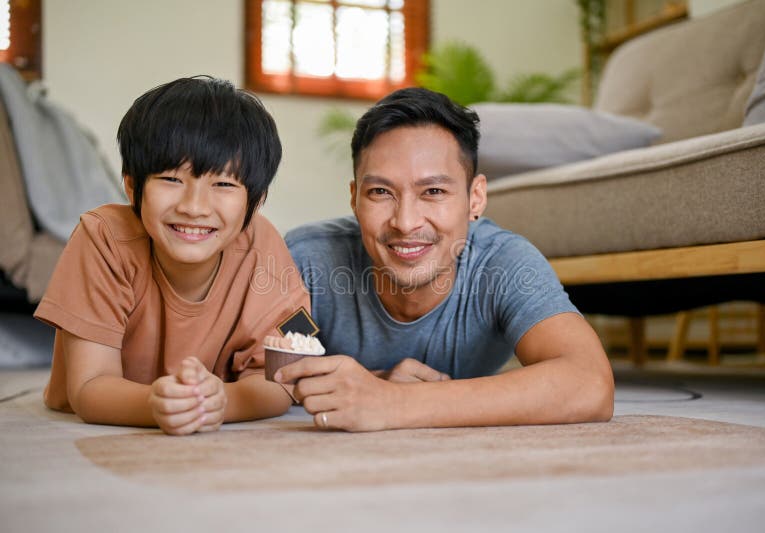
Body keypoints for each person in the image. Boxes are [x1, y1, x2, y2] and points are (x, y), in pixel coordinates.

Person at [280, 87, 614, 432]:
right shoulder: (310, 262)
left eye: (434, 192)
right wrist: (374, 381)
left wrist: (393, 403)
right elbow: (269, 370)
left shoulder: (503, 264)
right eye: (380, 192)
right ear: (354, 199)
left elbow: (590, 383)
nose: (405, 222)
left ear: (475, 198)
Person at [34, 76, 308, 435]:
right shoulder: (101, 236)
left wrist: (223, 402)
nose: (194, 207)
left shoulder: (268, 247)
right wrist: (155, 404)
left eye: (223, 184)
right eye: (171, 179)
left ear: (256, 199)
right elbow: (89, 388)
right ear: (132, 185)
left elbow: (284, 381)